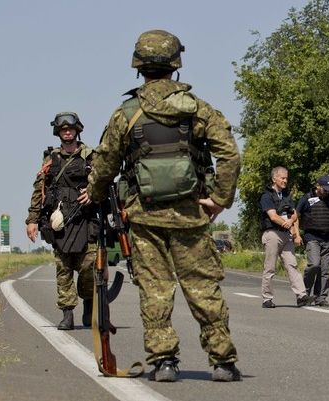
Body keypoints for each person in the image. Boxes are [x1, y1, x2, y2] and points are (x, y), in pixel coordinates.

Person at [79, 30, 241, 382]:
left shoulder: (126, 114)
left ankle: (164, 361)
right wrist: (219, 200)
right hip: (191, 215)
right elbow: (229, 153)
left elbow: (105, 163)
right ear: (175, 65)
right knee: (202, 287)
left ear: (139, 66)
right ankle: (222, 362)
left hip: (145, 217)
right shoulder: (198, 109)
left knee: (155, 289)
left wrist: (94, 194)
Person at [26, 112, 96, 331]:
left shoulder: (90, 155)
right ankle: (67, 314)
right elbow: (40, 190)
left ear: (77, 130)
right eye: (63, 129)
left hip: (85, 219)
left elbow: (104, 180)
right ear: (58, 133)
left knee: (89, 266)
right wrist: (32, 220)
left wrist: (92, 191)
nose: (67, 132)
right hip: (59, 221)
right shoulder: (51, 159)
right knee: (63, 269)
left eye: (70, 129)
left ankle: (88, 302)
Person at [259, 167, 313, 309]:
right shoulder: (266, 196)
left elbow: (294, 214)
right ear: (274, 179)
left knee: (292, 265)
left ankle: (301, 296)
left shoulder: (286, 195)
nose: (285, 181)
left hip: (286, 233)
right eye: (282, 178)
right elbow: (272, 216)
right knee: (270, 267)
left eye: (286, 178)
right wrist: (287, 223)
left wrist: (294, 228)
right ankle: (267, 298)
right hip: (273, 234)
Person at [296, 176, 329, 307]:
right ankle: (304, 294)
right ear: (318, 186)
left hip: (328, 238)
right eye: (324, 189)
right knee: (314, 265)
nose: (327, 192)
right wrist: (297, 234)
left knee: (325, 270)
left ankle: (321, 298)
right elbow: (296, 215)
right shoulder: (307, 198)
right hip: (312, 237)